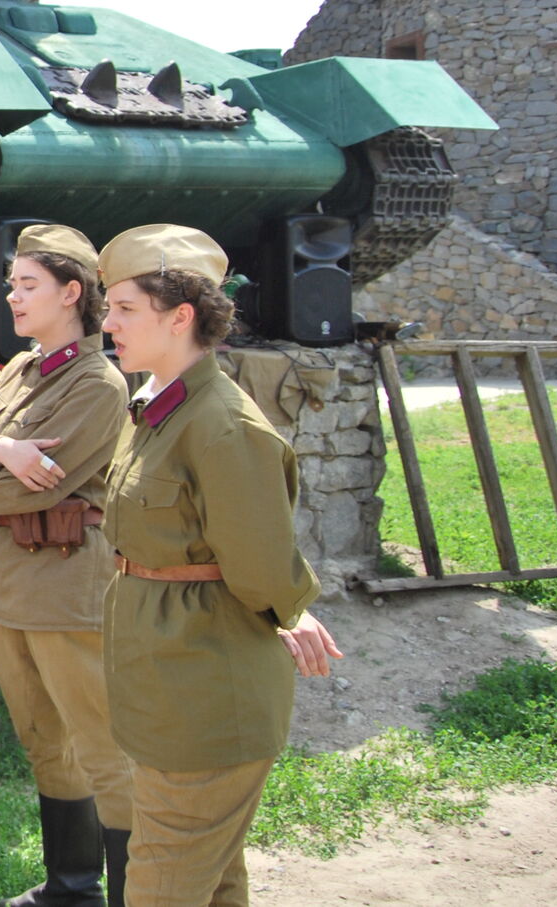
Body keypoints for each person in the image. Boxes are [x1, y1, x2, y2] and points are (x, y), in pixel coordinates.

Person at [97, 225, 343, 907]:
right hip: (168, 683)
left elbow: (261, 564)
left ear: (180, 317)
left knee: (161, 884)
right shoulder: (157, 407)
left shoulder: (222, 424)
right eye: (109, 308)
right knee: (212, 883)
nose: (108, 323)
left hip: (205, 694)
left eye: (124, 309)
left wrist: (291, 608)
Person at [0, 224, 133, 906]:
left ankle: (132, 893)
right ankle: (73, 887)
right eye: (12, 283)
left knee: (99, 746)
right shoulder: (21, 368)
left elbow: (30, 490)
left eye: (28, 284)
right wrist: (2, 450)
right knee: (45, 740)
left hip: (64, 585)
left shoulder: (97, 383)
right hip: (5, 584)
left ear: (71, 293)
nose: (12, 296)